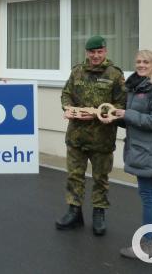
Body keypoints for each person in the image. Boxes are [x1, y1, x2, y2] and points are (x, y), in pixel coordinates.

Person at [101, 50, 152, 259]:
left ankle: (147, 244)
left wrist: (127, 114)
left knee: (148, 195)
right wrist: (116, 117)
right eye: (138, 61)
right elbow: (133, 118)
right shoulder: (139, 86)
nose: (140, 65)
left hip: (151, 150)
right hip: (140, 148)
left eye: (145, 62)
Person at [55, 35, 125, 236]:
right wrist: (68, 108)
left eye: (99, 52)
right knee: (74, 176)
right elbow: (66, 93)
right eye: (92, 52)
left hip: (102, 138)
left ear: (105, 52)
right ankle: (74, 211)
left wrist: (97, 113)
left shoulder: (114, 74)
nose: (95, 56)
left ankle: (99, 213)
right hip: (76, 136)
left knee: (100, 178)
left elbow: (121, 104)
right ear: (87, 52)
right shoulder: (77, 71)